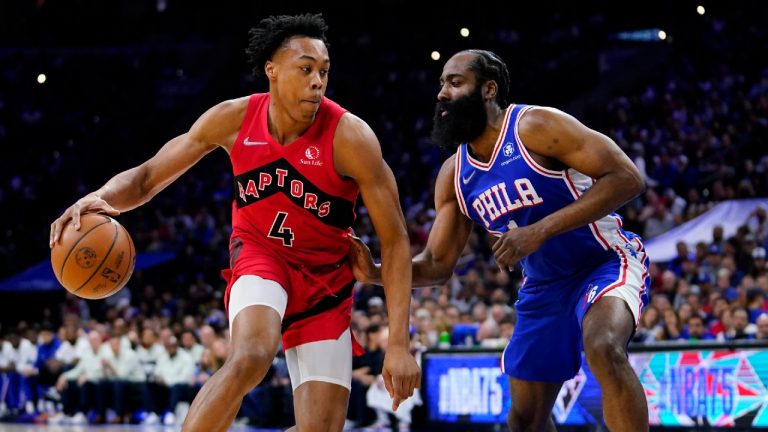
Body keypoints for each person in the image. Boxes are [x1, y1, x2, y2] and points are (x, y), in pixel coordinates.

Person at [49, 13, 420, 432]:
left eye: (324, 71)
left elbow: (396, 241)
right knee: (251, 356)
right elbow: (149, 176)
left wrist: (398, 344)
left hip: (326, 280)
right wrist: (98, 197)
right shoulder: (233, 118)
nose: (318, 80)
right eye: (306, 68)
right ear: (272, 70)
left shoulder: (351, 137)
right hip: (261, 256)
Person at [349, 49, 651, 431]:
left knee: (604, 347)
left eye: (455, 82)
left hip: (604, 262)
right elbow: (438, 265)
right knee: (524, 421)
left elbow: (627, 178)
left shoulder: (535, 126)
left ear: (488, 90)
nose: (442, 93)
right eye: (442, 83)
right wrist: (375, 273)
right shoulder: (454, 175)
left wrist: (539, 231)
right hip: (544, 287)